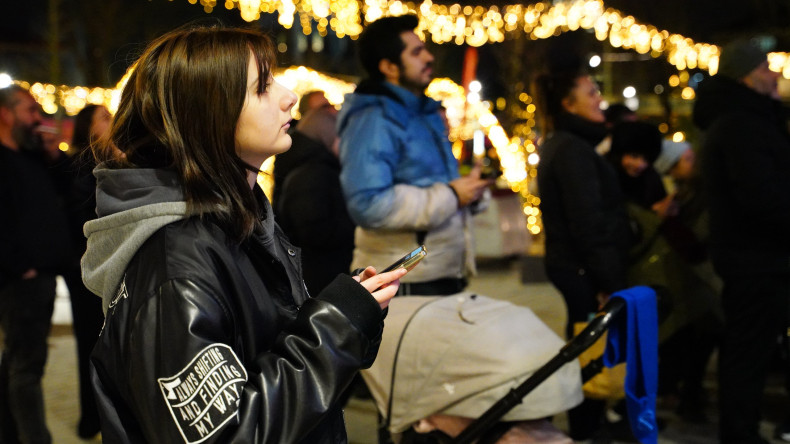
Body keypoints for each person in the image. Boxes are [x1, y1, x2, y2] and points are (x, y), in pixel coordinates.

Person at [81, 25, 407, 443]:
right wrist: (333, 328)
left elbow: (264, 357)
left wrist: (348, 312)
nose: (289, 96)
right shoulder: (176, 265)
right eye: (263, 87)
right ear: (208, 115)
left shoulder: (237, 221)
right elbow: (229, 434)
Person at [337, 14, 491, 296]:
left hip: (437, 276)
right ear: (389, 67)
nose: (430, 58)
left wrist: (469, 192)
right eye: (417, 52)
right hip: (401, 285)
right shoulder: (374, 119)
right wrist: (453, 195)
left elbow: (435, 182)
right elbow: (368, 204)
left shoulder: (424, 113)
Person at [693, 37, 790, 443]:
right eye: (767, 67)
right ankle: (740, 434)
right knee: (749, 351)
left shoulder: (746, 119)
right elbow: (761, 198)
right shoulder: (741, 124)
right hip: (757, 260)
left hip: (758, 257)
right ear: (748, 75)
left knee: (751, 349)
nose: (775, 74)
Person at [533, 69, 632, 441]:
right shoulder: (571, 149)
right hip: (582, 270)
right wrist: (608, 282)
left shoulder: (568, 144)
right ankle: (585, 424)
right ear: (568, 104)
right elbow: (587, 223)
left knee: (585, 342)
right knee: (589, 346)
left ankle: (588, 420)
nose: (599, 100)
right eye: (590, 93)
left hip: (576, 266)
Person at [0, 84, 72, 444]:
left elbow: (59, 193)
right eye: (30, 111)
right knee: (26, 368)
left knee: (16, 362)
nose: (37, 119)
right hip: (22, 280)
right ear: (6, 114)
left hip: (40, 274)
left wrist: (52, 153)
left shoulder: (29, 157)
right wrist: (19, 266)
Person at [61, 104, 112, 439]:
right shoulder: (82, 165)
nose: (112, 123)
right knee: (92, 346)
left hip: (99, 266)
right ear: (89, 128)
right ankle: (91, 418)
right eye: (104, 119)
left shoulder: (105, 162)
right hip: (87, 270)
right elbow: (91, 218)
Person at [274, 106, 355, 295]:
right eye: (340, 137)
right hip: (319, 280)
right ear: (327, 136)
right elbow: (314, 232)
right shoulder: (311, 174)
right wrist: (356, 224)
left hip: (324, 275)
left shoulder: (321, 168)